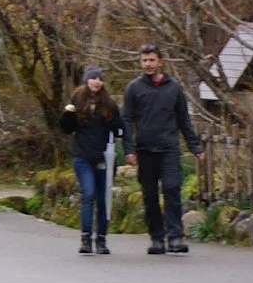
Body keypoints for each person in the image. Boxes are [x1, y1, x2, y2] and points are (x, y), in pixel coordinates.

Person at [121, 44, 203, 255]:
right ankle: (157, 238)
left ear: (160, 62)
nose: (148, 64)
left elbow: (184, 119)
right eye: (144, 60)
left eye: (151, 60)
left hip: (169, 148)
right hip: (145, 149)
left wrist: (194, 146)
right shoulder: (134, 88)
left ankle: (175, 237)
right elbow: (127, 120)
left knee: (172, 189)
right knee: (149, 195)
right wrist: (129, 149)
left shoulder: (174, 88)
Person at [60, 64, 122, 255]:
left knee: (103, 199)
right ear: (86, 80)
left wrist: (119, 131)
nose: (97, 81)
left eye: (100, 78)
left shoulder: (109, 105)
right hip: (82, 156)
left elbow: (118, 128)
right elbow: (66, 128)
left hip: (103, 157)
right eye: (93, 78)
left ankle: (101, 239)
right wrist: (68, 116)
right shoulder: (76, 101)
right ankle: (86, 238)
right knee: (88, 194)